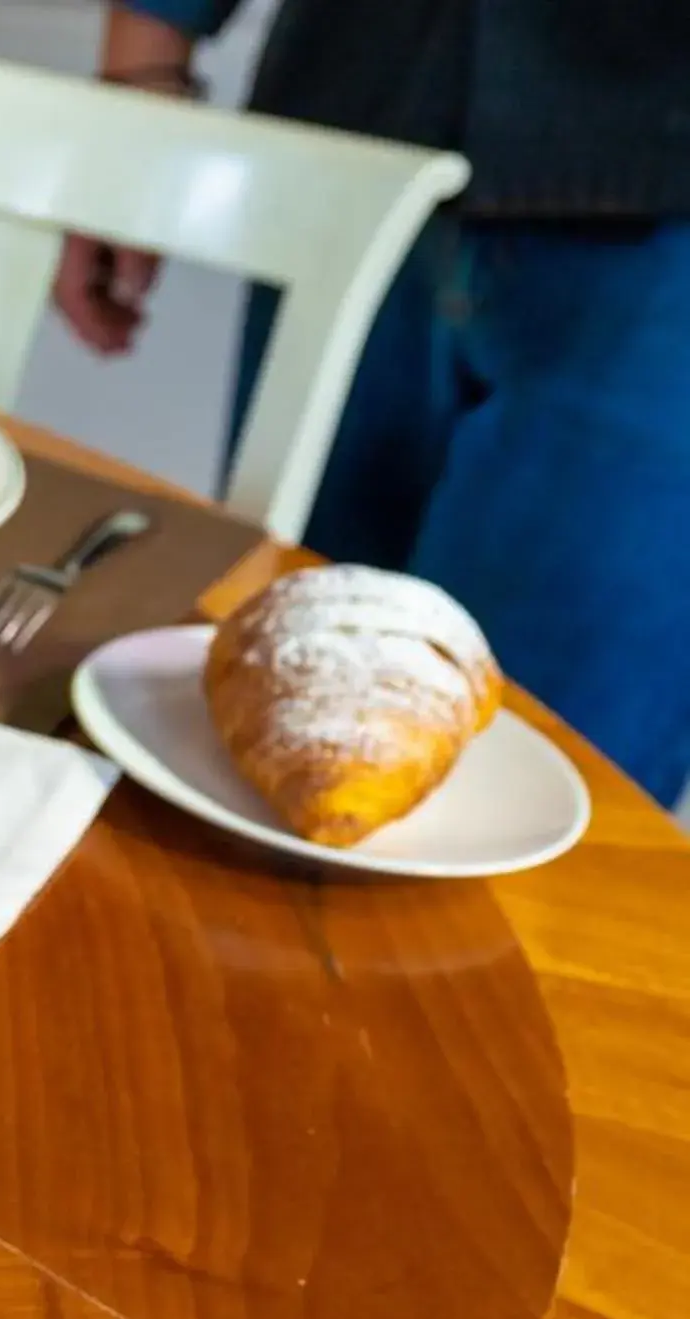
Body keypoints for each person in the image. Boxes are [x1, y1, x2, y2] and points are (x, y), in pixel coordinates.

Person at [53, 2, 690, 807]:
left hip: (666, 231)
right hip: (367, 115)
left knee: (550, 800)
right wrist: (140, 78)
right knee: (274, 729)